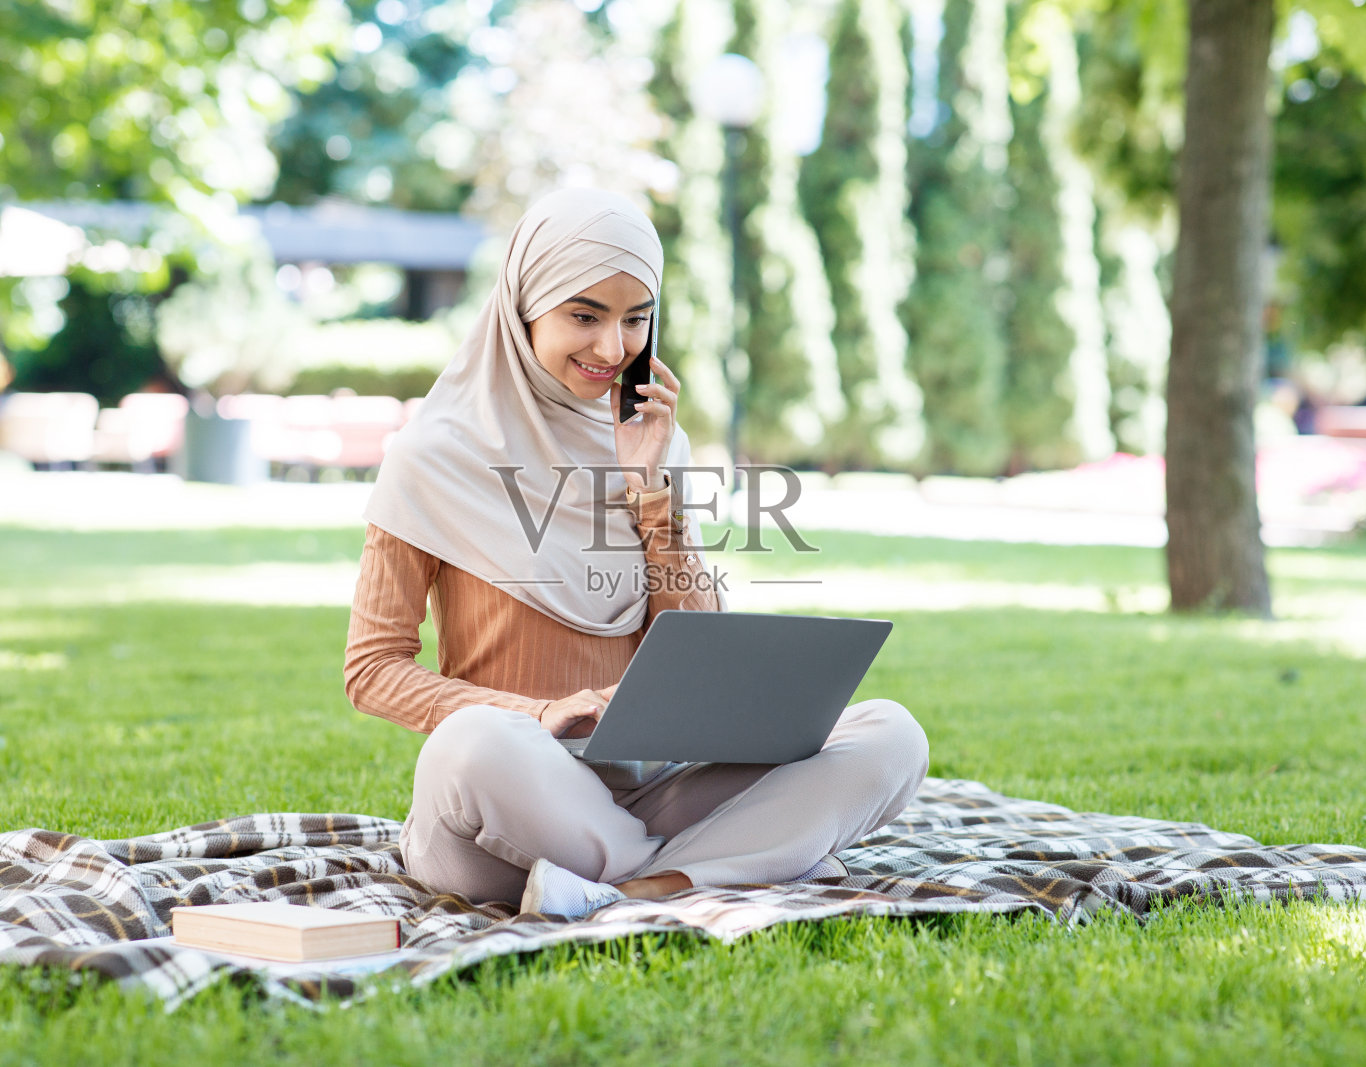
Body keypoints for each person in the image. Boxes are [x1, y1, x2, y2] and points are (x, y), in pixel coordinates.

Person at [343, 187, 929, 918]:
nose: (613, 348)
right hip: (506, 807)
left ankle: (628, 889)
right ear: (524, 308)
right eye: (584, 316)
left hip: (652, 788)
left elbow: (699, 643)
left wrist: (651, 489)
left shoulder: (652, 442)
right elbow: (372, 668)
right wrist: (540, 712)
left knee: (891, 733)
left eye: (636, 318)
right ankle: (739, 859)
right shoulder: (433, 456)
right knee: (471, 743)